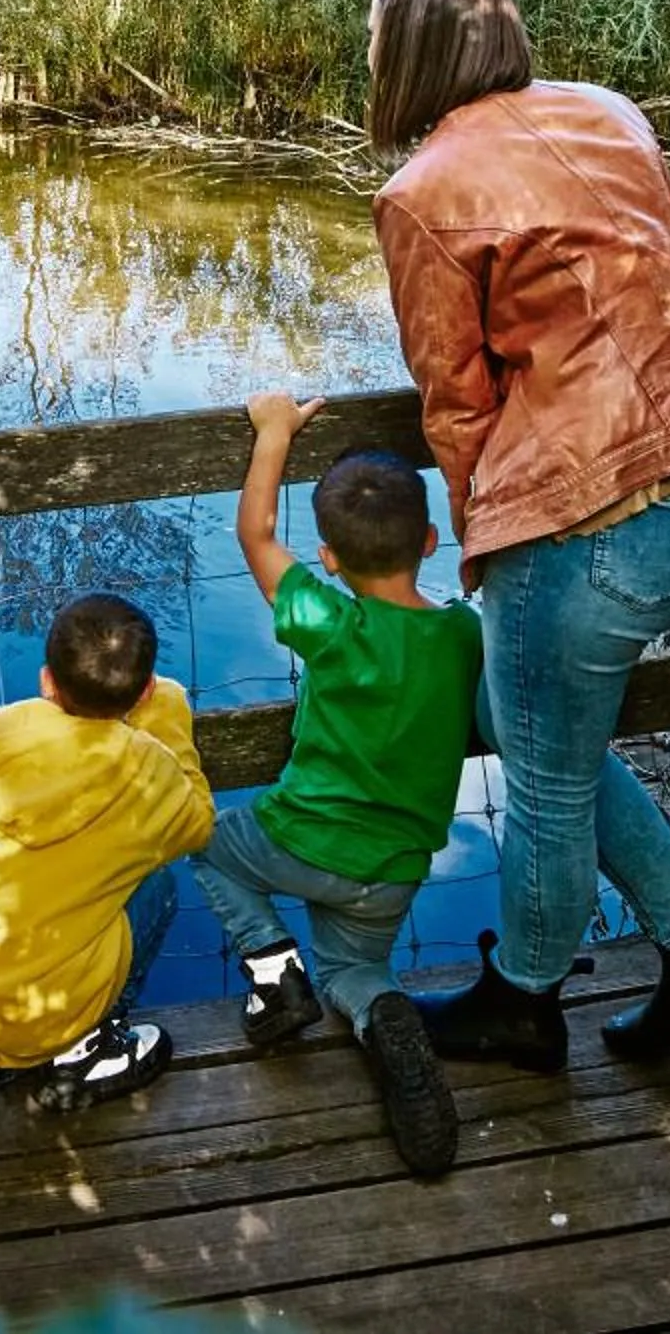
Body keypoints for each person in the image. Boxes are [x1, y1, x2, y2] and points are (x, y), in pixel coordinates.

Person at [363, 0, 670, 1074]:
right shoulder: (605, 111)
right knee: (541, 734)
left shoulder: (423, 193)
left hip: (594, 521)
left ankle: (522, 1000)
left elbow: (455, 406)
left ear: (399, 45)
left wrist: (482, 548)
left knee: (541, 781)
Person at [191, 393, 481, 1177]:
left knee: (204, 844)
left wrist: (274, 434)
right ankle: (383, 1013)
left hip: (293, 840)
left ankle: (272, 967)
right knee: (355, 972)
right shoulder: (461, 635)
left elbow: (253, 534)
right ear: (428, 541)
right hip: (391, 873)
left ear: (327, 557)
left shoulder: (327, 618)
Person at [0, 592, 215, 1201]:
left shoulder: (0, 738)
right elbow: (197, 822)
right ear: (143, 692)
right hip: (54, 1004)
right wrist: (168, 718)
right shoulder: (148, 772)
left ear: (47, 680)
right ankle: (82, 1049)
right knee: (156, 885)